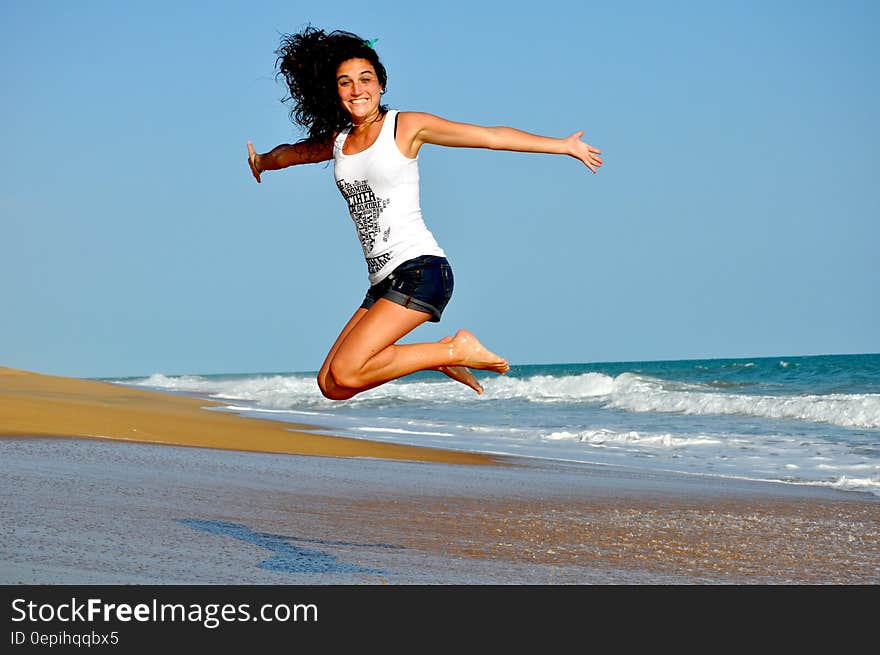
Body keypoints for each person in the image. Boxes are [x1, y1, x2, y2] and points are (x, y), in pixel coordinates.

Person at [246, 27, 602, 401]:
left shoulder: (405, 126)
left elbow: (489, 136)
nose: (357, 90)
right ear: (335, 92)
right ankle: (438, 356)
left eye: (365, 79)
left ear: (381, 84)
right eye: (345, 82)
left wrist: (562, 146)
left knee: (348, 369)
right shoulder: (339, 142)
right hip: (383, 281)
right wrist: (262, 161)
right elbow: (291, 154)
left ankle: (452, 350)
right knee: (331, 384)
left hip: (420, 271)